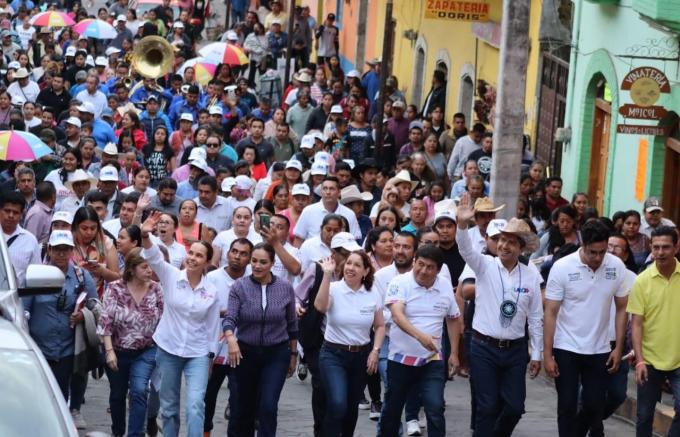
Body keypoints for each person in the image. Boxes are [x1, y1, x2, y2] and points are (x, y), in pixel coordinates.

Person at [455, 192, 544, 436]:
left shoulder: (531, 275)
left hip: (515, 350)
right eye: (502, 240)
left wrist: (537, 353)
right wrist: (462, 225)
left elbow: (536, 317)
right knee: (487, 406)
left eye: (511, 242)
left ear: (521, 248)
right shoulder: (485, 265)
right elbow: (464, 249)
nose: (504, 245)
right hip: (484, 347)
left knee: (515, 407)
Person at [544, 220, 630, 437]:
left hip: (599, 348)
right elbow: (551, 312)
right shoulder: (562, 267)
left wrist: (618, 348)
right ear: (582, 243)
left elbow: (622, 310)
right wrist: (547, 354)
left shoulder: (616, 266)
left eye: (602, 252)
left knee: (593, 405)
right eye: (593, 252)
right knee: (567, 405)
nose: (598, 258)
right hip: (566, 347)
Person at [140, 211, 220, 437]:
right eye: (191, 253)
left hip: (198, 352)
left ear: (206, 262)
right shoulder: (172, 276)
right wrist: (145, 235)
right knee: (169, 408)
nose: (193, 258)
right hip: (168, 348)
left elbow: (213, 326)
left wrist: (211, 356)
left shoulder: (211, 290)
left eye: (199, 255)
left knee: (195, 405)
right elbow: (154, 257)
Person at [378, 245, 461, 437]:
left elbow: (453, 318)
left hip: (432, 359)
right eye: (420, 264)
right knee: (392, 409)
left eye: (430, 267)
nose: (423, 271)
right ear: (414, 261)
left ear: (438, 270)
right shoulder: (399, 282)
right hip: (401, 359)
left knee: (435, 407)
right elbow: (397, 315)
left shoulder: (445, 285)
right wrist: (420, 336)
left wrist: (454, 353)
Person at [21, 230, 98, 428]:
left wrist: (83, 315)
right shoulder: (34, 274)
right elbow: (23, 309)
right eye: (57, 250)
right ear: (50, 250)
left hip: (67, 347)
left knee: (61, 392)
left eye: (65, 250)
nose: (61, 254)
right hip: (39, 347)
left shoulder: (82, 277)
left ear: (72, 250)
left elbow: (95, 304)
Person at [223, 242, 299, 437]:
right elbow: (230, 317)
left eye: (263, 262)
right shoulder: (240, 286)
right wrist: (230, 337)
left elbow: (292, 324)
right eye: (254, 261)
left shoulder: (285, 287)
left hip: (276, 353)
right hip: (245, 353)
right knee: (243, 407)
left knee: (268, 405)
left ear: (273, 263)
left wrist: (293, 353)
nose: (257, 266)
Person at [314, 252, 385, 436]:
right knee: (338, 403)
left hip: (360, 356)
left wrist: (375, 351)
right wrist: (327, 275)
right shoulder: (334, 288)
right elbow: (320, 306)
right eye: (348, 263)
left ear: (365, 271)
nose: (351, 268)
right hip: (333, 354)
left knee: (351, 408)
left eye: (357, 265)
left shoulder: (372, 292)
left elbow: (379, 326)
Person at [98, 248, 163, 437]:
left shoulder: (156, 289)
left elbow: (166, 318)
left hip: (146, 350)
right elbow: (105, 321)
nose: (149, 270)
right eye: (145, 267)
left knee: (139, 390)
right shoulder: (116, 288)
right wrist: (109, 351)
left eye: (151, 266)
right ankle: (117, 432)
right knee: (117, 395)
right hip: (117, 349)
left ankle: (136, 433)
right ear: (132, 269)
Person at [627, 226, 680, 437]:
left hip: (678, 359)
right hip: (649, 360)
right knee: (644, 416)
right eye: (656, 247)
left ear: (676, 247)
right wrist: (639, 360)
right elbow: (636, 324)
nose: (660, 252)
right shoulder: (642, 281)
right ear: (651, 247)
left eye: (666, 247)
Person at [204, 238, 253, 436]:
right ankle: (205, 431)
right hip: (213, 348)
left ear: (249, 258)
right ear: (227, 253)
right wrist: (225, 312)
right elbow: (202, 309)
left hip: (241, 349)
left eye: (243, 254)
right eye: (234, 251)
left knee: (239, 400)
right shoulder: (213, 278)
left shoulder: (253, 279)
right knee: (207, 396)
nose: (237, 257)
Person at [293, 176, 361, 245]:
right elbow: (298, 239)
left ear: (339, 192)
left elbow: (354, 241)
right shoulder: (308, 211)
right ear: (321, 191)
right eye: (325, 188)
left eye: (332, 189)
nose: (328, 192)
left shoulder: (349, 214)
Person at [1, 190, 42, 289]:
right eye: (7, 211)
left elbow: (37, 276)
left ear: (21, 215)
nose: (11, 215)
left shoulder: (30, 241)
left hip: (16, 301)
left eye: (15, 212)